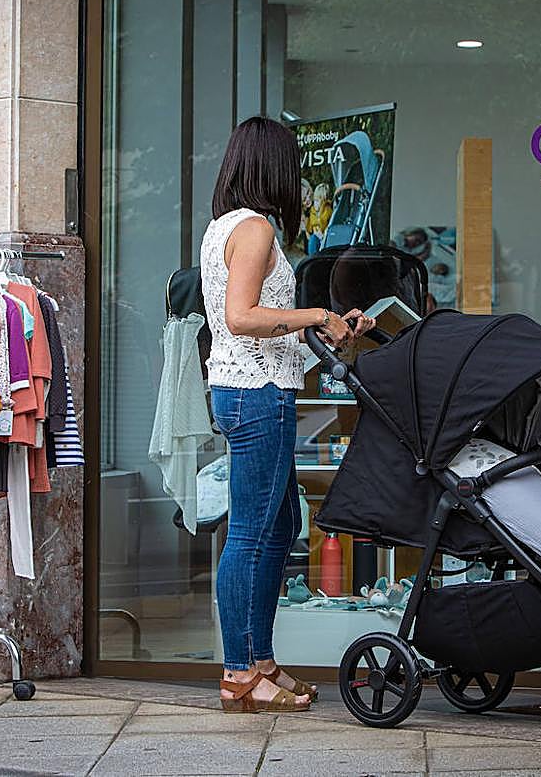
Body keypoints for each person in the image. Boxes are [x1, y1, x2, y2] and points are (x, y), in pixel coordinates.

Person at [201, 116, 375, 713]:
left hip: (252, 388)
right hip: (255, 396)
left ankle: (260, 661)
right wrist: (315, 315)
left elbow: (263, 330)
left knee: (274, 529)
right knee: (251, 533)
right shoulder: (253, 230)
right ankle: (239, 675)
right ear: (273, 167)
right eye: (293, 167)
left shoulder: (227, 226)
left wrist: (338, 333)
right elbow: (241, 317)